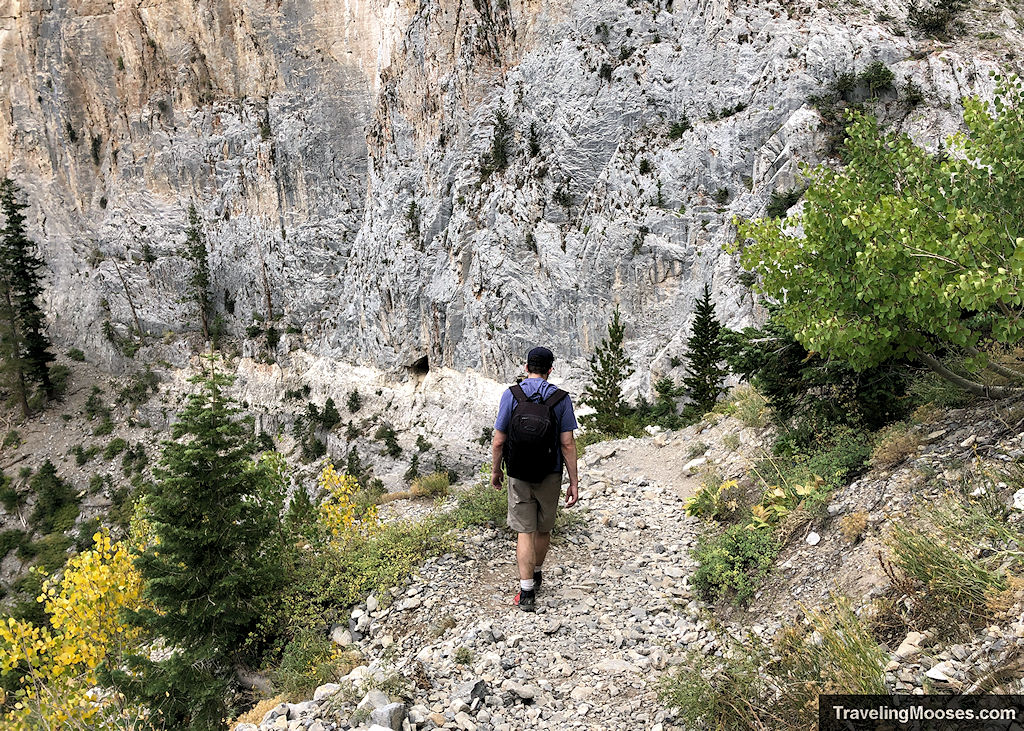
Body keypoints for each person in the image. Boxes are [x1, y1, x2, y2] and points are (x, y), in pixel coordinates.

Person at [491, 346, 579, 612]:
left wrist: (496, 471)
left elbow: (498, 441)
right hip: (549, 472)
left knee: (524, 531)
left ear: (526, 367)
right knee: (543, 528)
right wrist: (574, 482)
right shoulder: (561, 398)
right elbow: (567, 444)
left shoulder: (511, 395)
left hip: (518, 472)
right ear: (550, 369)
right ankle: (537, 572)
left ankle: (526, 591)